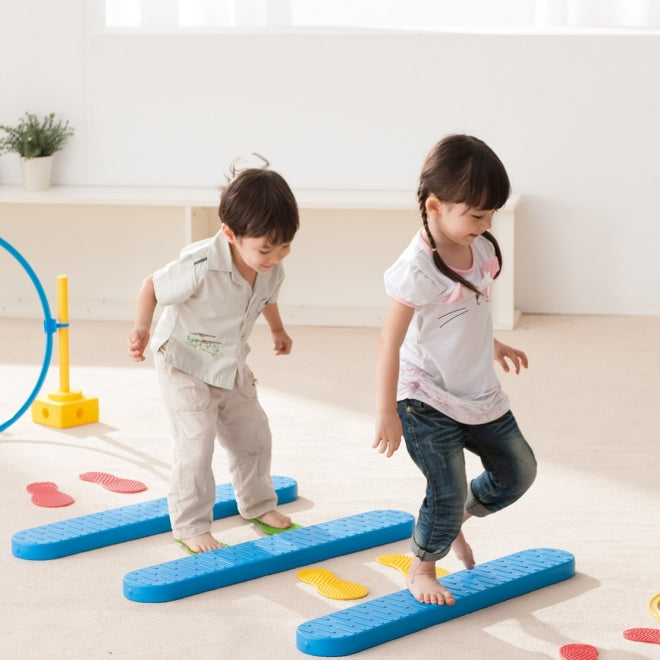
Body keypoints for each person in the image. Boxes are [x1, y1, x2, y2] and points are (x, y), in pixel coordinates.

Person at [373, 135, 537, 605]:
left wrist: (492, 344)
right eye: (477, 215)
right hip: (424, 397)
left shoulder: (480, 248)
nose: (487, 225)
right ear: (435, 206)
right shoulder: (416, 269)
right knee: (445, 491)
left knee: (519, 472)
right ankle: (422, 567)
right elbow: (389, 341)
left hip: (475, 388)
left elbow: (469, 310)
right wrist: (386, 412)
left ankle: (447, 520)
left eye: (491, 215)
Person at [127, 157, 299, 554]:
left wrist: (277, 329)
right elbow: (152, 285)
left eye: (285, 246)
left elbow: (266, 297)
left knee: (254, 435)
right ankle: (190, 525)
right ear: (230, 234)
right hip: (184, 362)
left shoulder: (271, 267)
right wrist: (141, 326)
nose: (275, 256)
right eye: (265, 248)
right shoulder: (201, 263)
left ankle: (257, 503)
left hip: (228, 363)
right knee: (196, 443)